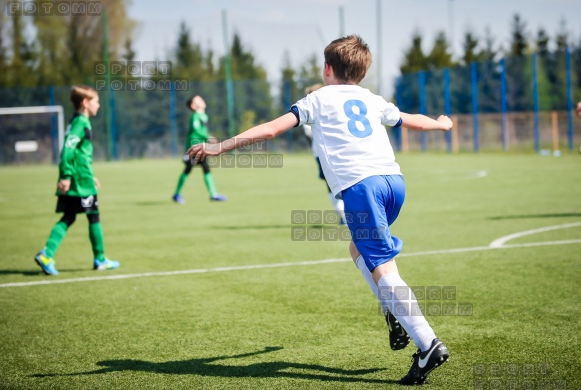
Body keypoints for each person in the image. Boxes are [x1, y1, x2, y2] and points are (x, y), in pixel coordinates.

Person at [187, 35, 452, 385]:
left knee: (383, 268)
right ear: (362, 70)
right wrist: (442, 124)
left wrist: (220, 146)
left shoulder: (318, 99)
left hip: (361, 188)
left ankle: (427, 343)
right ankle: (393, 313)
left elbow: (270, 130)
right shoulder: (371, 98)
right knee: (360, 249)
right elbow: (410, 121)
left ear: (327, 69)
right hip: (393, 183)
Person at [34, 85, 120, 276]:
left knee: (69, 216)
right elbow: (67, 150)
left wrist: (91, 175)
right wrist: (66, 176)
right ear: (85, 103)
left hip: (81, 177)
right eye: (96, 101)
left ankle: (47, 254)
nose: (98, 105)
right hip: (79, 182)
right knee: (93, 215)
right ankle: (100, 259)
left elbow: (80, 155)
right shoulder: (81, 123)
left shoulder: (77, 122)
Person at [303, 83, 346, 225]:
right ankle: (342, 213)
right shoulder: (309, 110)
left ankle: (348, 213)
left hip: (340, 151)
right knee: (333, 185)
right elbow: (308, 132)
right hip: (323, 154)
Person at [172, 95, 227, 204]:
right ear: (193, 106)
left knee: (205, 168)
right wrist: (208, 137)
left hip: (201, 147)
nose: (202, 100)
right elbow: (196, 130)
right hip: (193, 147)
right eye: (198, 100)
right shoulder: (195, 116)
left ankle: (213, 194)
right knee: (188, 169)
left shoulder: (204, 116)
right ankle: (177, 194)